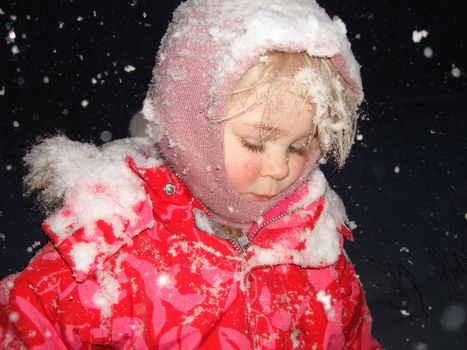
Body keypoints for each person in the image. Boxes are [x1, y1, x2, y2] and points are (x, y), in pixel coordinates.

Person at [1, 0, 381, 348]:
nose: (281, 168)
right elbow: (23, 325)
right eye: (254, 143)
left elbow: (353, 336)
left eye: (299, 148)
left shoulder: (314, 245)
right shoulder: (118, 249)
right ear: (193, 128)